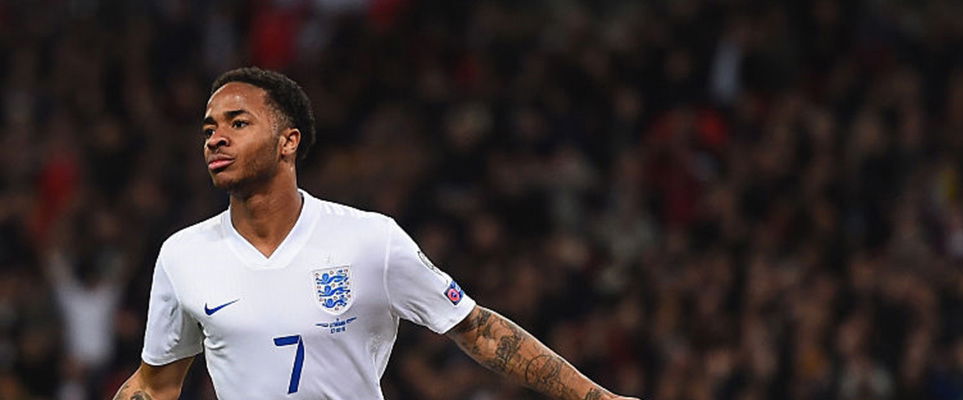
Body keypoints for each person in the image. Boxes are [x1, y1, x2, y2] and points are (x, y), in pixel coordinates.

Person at [113, 67, 638, 400]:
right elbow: (155, 386)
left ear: (288, 141)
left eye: (237, 122)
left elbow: (476, 329)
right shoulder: (184, 255)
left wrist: (598, 399)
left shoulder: (370, 240)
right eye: (208, 128)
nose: (215, 138)